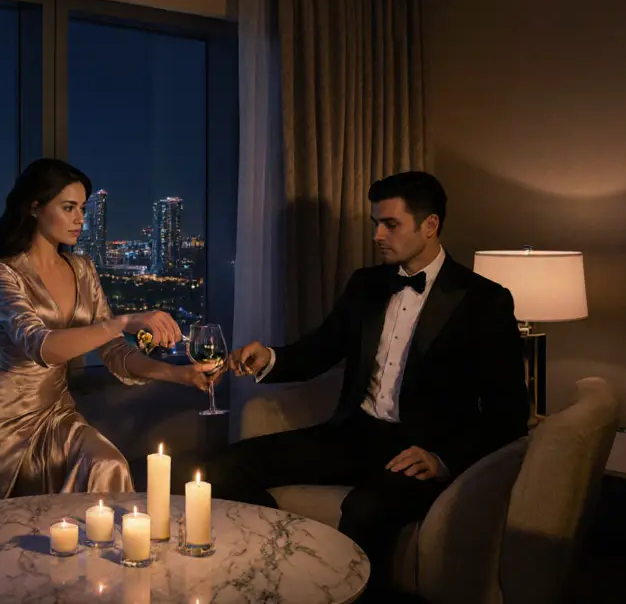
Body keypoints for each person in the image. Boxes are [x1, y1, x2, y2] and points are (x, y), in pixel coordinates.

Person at [215, 171, 528, 598]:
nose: (378, 235)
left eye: (390, 224)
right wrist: (269, 357)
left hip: (419, 451)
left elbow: (508, 414)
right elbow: (320, 349)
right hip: (352, 434)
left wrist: (444, 458)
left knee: (364, 510)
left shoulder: (485, 301)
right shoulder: (366, 284)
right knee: (222, 467)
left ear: (430, 225)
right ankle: (281, 569)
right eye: (375, 223)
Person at [0, 159, 221, 517]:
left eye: (82, 208)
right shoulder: (1, 273)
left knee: (108, 465)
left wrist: (180, 374)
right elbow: (41, 346)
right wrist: (124, 321)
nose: (80, 219)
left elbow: (115, 352)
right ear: (34, 207)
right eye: (68, 208)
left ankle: (108, 554)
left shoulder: (82, 269)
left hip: (56, 413)